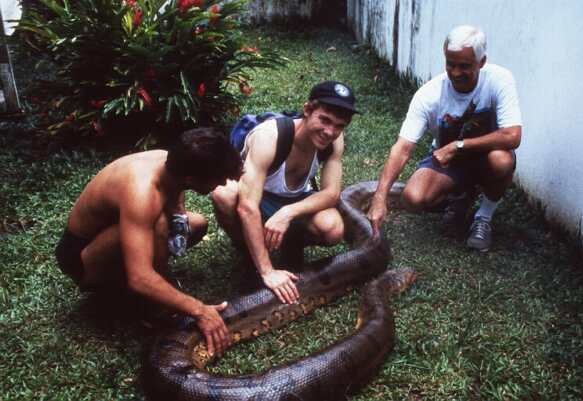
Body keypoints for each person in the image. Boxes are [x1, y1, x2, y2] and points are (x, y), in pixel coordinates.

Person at [55, 127, 242, 357]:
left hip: (115, 229)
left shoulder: (170, 162)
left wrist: (179, 213)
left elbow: (176, 191)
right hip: (80, 256)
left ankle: (158, 282)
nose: (222, 183)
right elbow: (139, 278)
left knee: (196, 224)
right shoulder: (142, 193)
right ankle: (147, 304)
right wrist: (199, 310)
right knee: (158, 226)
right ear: (191, 178)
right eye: (218, 177)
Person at [367, 25, 522, 252]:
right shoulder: (429, 94)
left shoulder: (500, 79)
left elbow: (512, 135)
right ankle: (461, 196)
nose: (456, 72)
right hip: (448, 162)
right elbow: (402, 148)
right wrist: (379, 198)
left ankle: (483, 217)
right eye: (451, 64)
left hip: (486, 156)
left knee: (502, 161)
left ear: (482, 62)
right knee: (413, 198)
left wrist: (459, 146)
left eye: (464, 66)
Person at [211, 81, 359, 304]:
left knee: (333, 228)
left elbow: (331, 193)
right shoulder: (269, 137)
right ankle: (252, 258)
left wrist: (287, 213)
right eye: (324, 120)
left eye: (339, 125)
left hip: (293, 199)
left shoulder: (334, 140)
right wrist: (267, 271)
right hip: (257, 197)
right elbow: (247, 206)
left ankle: (291, 246)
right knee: (224, 194)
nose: (330, 131)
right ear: (307, 110)